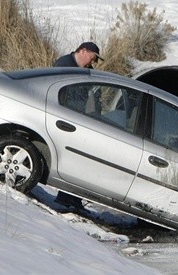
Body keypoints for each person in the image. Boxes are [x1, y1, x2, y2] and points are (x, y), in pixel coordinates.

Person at [52, 42, 103, 213]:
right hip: (67, 121)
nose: (92, 63)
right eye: (92, 58)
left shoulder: (82, 69)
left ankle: (71, 198)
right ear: (83, 51)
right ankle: (67, 198)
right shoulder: (64, 66)